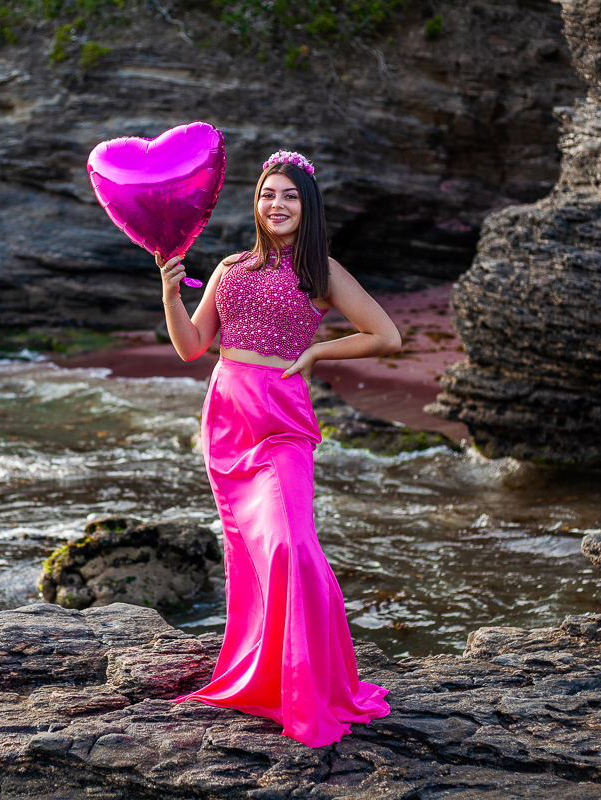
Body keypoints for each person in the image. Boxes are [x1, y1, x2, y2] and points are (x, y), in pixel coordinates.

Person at [156, 149, 401, 748]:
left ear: (306, 206)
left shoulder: (321, 272)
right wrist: (170, 294)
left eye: (290, 195)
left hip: (283, 417)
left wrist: (318, 352)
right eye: (268, 195)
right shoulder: (230, 267)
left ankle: (316, 684)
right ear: (257, 204)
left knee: (291, 543)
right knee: (251, 554)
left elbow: (386, 336)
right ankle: (266, 681)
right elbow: (193, 347)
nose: (277, 204)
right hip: (227, 419)